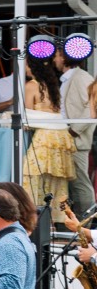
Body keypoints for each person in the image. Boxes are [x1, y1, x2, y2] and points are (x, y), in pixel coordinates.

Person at [23, 55, 78, 212]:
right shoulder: (52, 85)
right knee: (56, 180)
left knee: (32, 177)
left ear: (32, 67)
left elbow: (26, 116)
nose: (25, 68)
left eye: (26, 65)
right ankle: (54, 219)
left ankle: (34, 215)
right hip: (60, 136)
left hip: (45, 136)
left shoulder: (31, 86)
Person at [58, 51, 97, 217]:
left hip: (76, 139)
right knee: (74, 184)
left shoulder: (81, 77)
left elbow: (91, 107)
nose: (54, 59)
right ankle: (79, 221)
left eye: (57, 55)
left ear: (64, 58)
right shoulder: (69, 79)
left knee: (80, 183)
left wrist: (74, 131)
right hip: (68, 138)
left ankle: (88, 222)